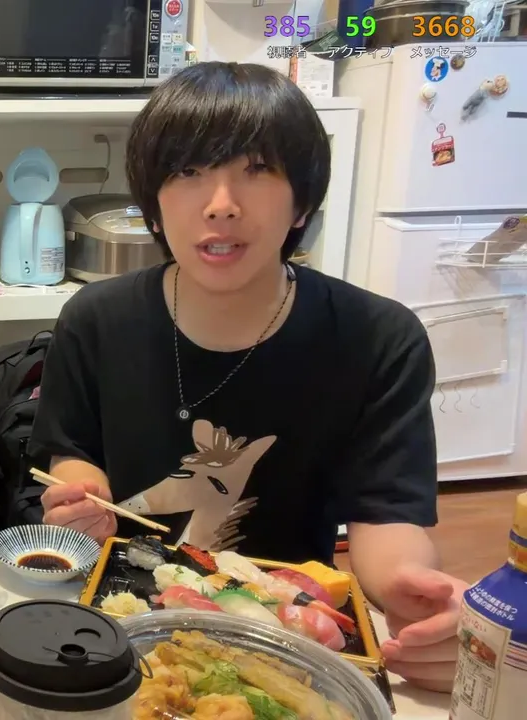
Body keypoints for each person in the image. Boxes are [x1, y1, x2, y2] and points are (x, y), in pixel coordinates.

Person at [30, 62, 462, 691]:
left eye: (257, 169)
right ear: (153, 204)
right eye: (188, 172)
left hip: (285, 636)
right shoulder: (94, 318)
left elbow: (388, 515)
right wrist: (80, 497)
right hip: (123, 628)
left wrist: (412, 592)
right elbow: (71, 453)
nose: (222, 205)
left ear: (302, 201)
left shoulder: (378, 338)